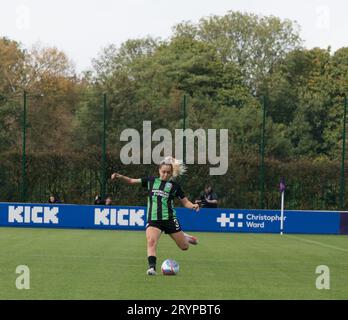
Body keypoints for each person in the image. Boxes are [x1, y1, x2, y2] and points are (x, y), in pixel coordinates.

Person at [111, 156, 200, 276]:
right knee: (151, 242)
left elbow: (185, 202)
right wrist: (120, 176)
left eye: (168, 172)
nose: (165, 174)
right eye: (163, 172)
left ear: (171, 173)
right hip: (154, 220)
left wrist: (193, 206)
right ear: (159, 170)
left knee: (184, 247)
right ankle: (152, 268)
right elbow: (132, 181)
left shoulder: (175, 186)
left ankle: (185, 237)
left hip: (169, 219)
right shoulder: (151, 181)